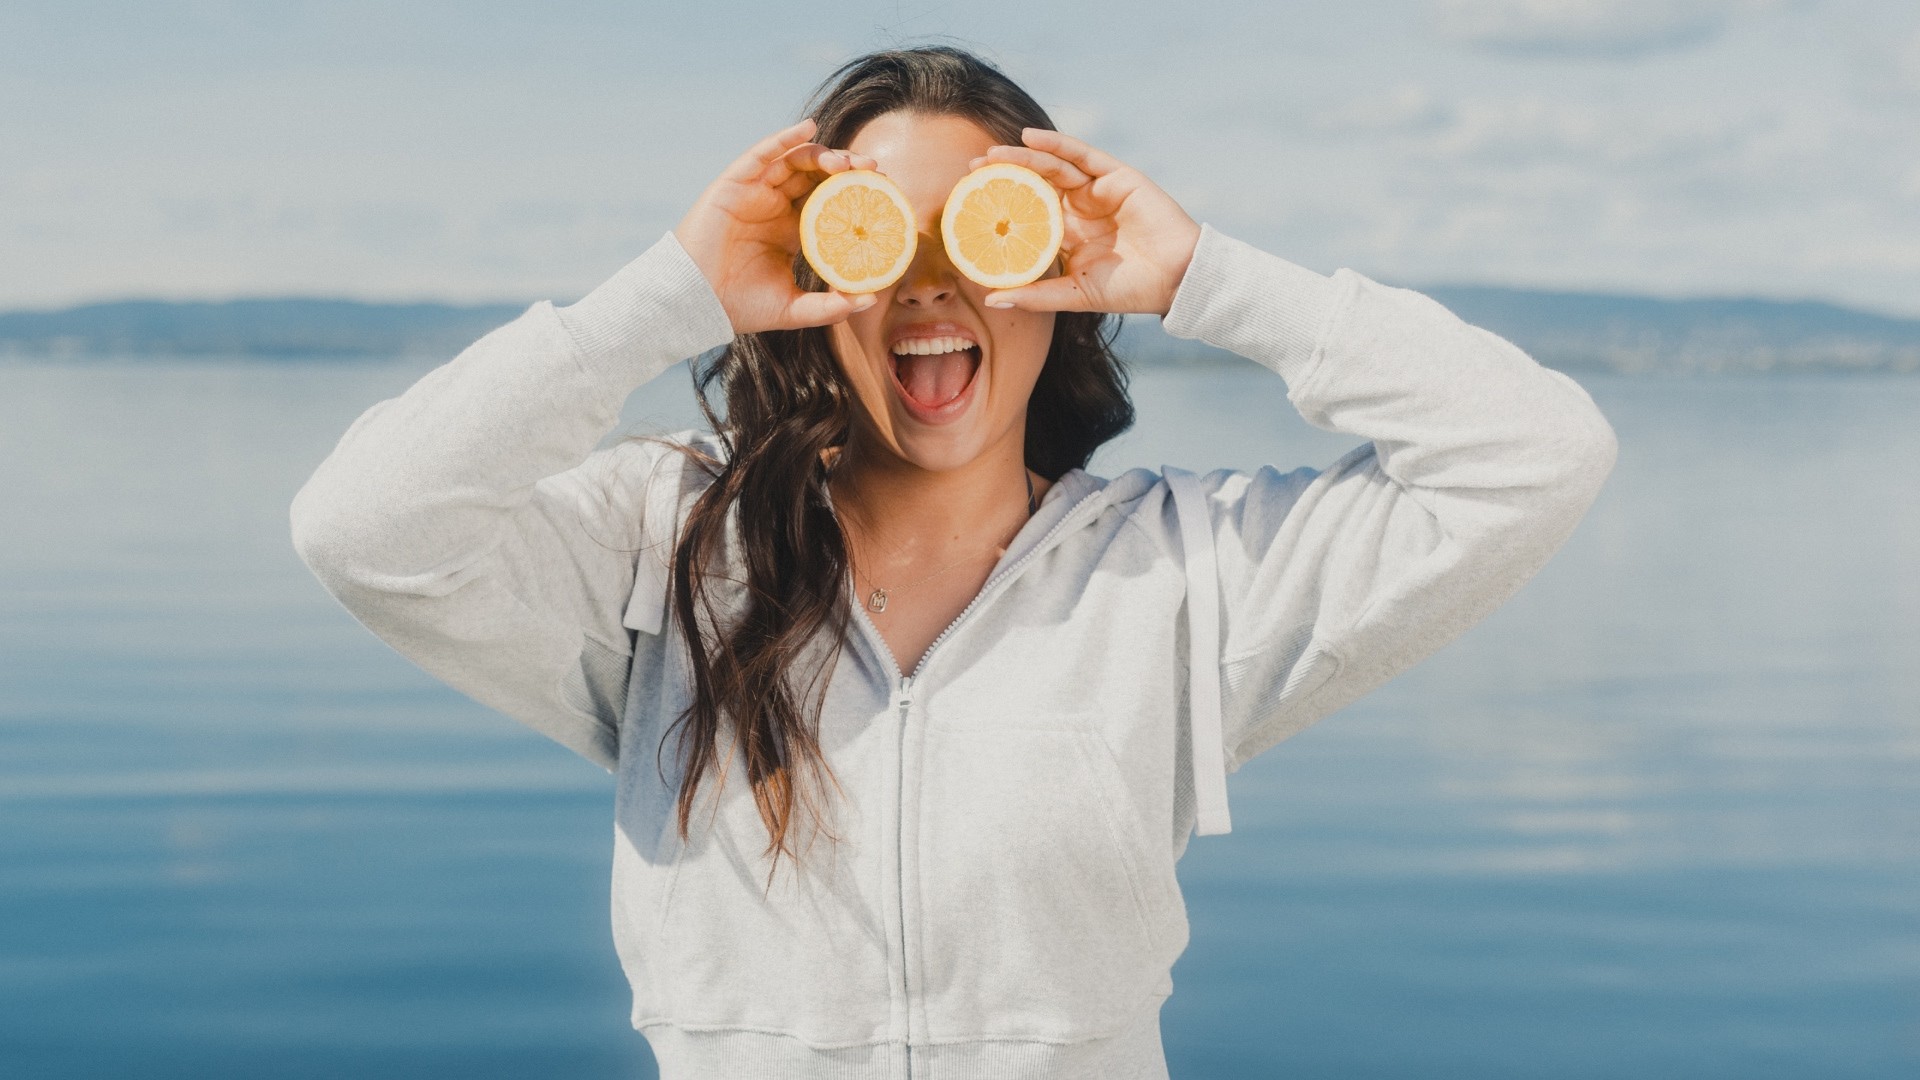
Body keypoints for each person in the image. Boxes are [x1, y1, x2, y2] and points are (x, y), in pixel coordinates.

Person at [291, 45, 1616, 1080]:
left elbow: (1537, 454)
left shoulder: (1182, 573)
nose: (928, 286)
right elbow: (364, 526)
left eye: (976, 236)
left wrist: (1203, 278)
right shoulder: (666, 549)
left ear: (1051, 276)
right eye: (877, 239)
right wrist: (666, 293)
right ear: (812, 282)